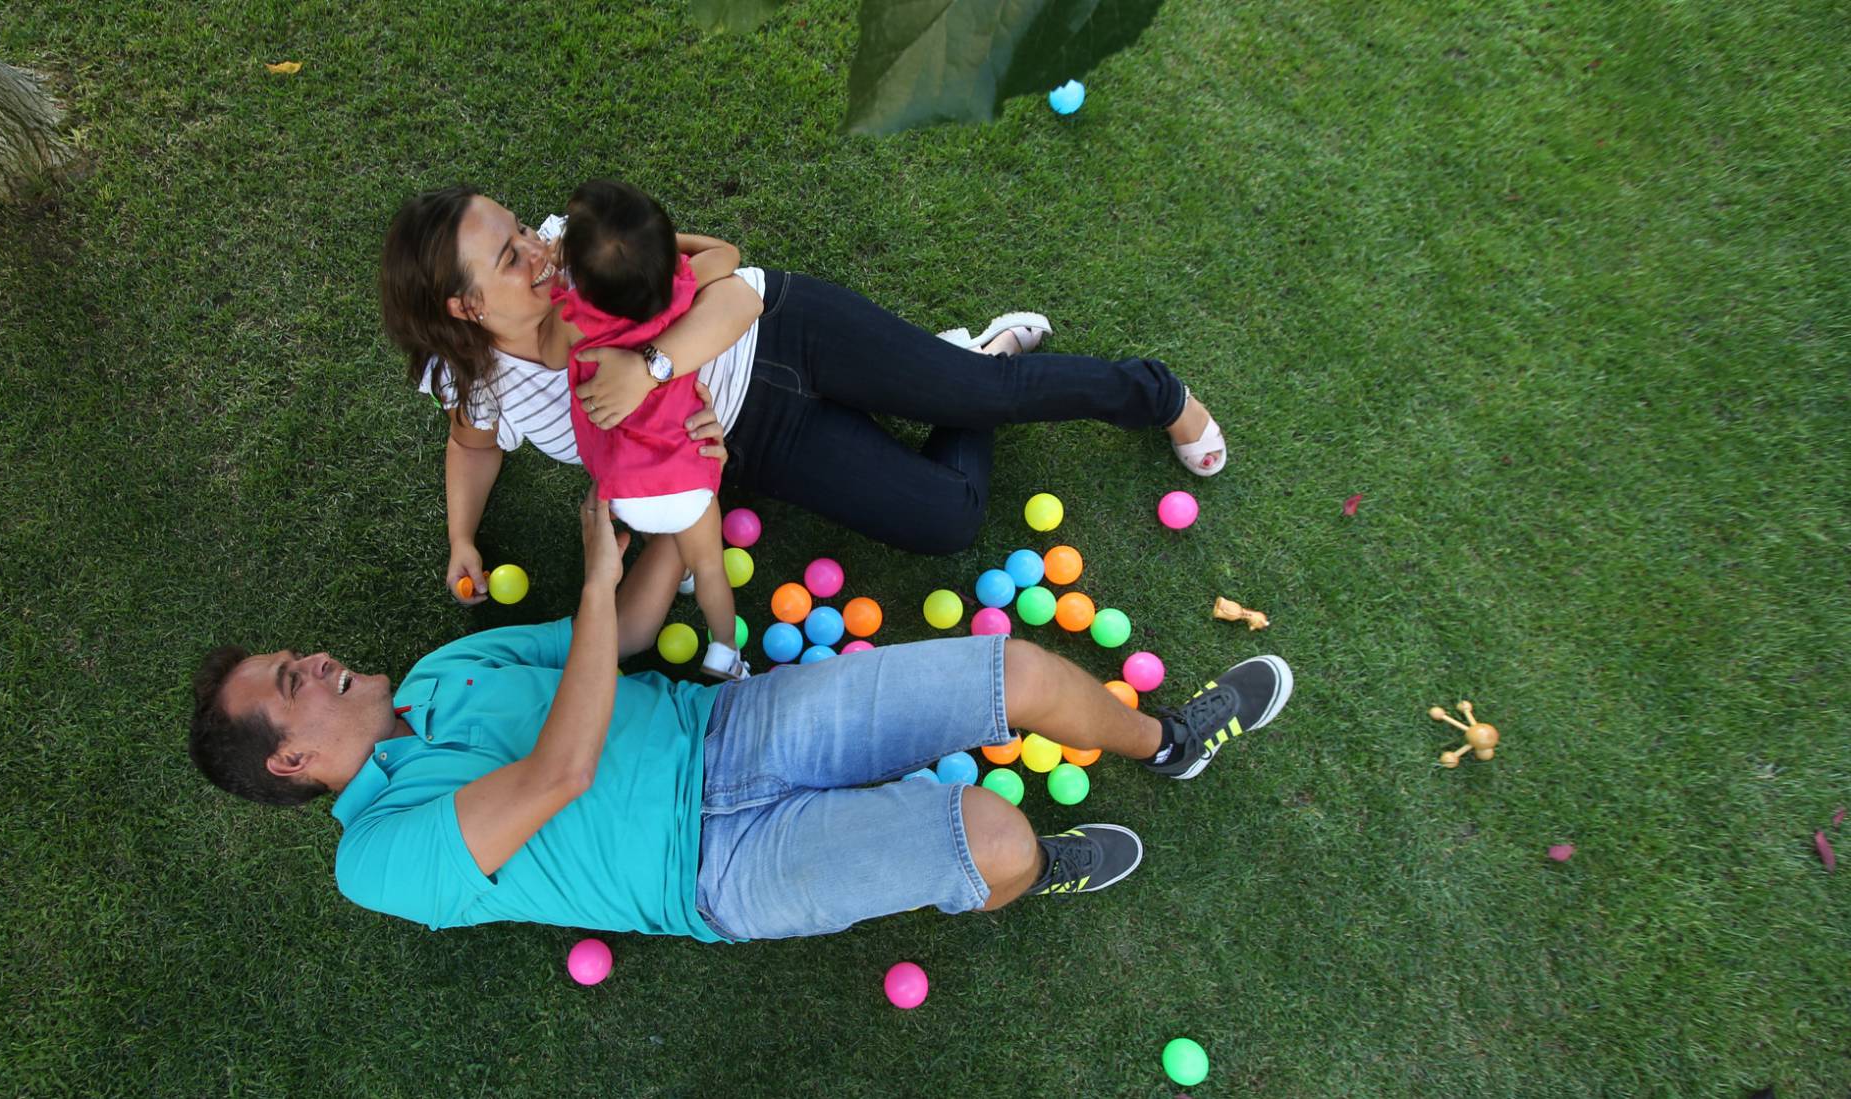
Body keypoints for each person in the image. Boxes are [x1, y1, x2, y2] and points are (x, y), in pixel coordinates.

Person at [187, 488, 1294, 942]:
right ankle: (1043, 865)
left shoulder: (446, 668)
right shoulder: (375, 860)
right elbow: (554, 776)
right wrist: (582, 582)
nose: (318, 660)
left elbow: (618, 641)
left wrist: (673, 502)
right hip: (714, 868)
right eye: (294, 680)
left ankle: (1172, 742)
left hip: (732, 727)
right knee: (994, 838)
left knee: (1023, 673)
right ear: (289, 760)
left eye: (296, 655)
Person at [377, 186, 1232, 609]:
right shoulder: (479, 379)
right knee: (948, 521)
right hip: (756, 441)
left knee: (987, 395)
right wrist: (461, 533)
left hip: (780, 328)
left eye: (520, 228)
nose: (536, 247)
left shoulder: (578, 250)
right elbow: (473, 443)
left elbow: (725, 271)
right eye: (510, 257)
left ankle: (1151, 392)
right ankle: (970, 353)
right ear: (465, 308)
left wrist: (654, 367)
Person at [548, 179, 747, 679]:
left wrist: (556, 280)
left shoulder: (576, 318)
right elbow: (728, 254)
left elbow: (550, 351)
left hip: (626, 493)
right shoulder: (680, 289)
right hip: (688, 473)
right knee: (709, 567)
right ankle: (725, 651)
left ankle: (673, 570)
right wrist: (667, 249)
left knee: (684, 547)